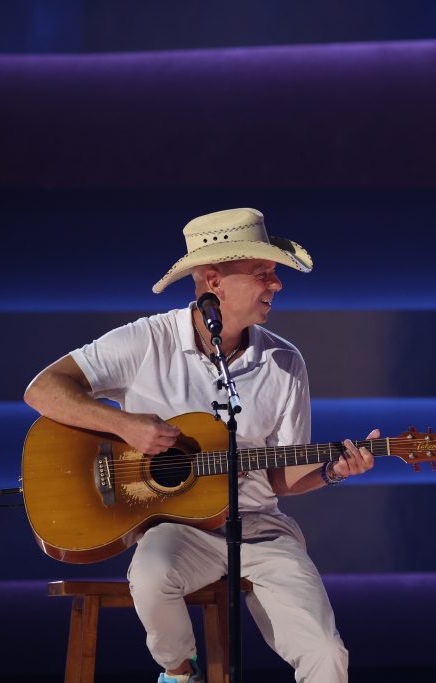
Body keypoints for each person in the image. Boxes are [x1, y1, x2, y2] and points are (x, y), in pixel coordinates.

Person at [24, 208, 374, 683]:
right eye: (263, 274)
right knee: (151, 573)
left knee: (327, 654)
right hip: (179, 528)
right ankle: (179, 672)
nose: (278, 285)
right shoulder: (147, 341)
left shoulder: (284, 362)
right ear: (215, 281)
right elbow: (43, 389)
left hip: (260, 530)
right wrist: (125, 425)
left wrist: (333, 471)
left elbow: (280, 479)